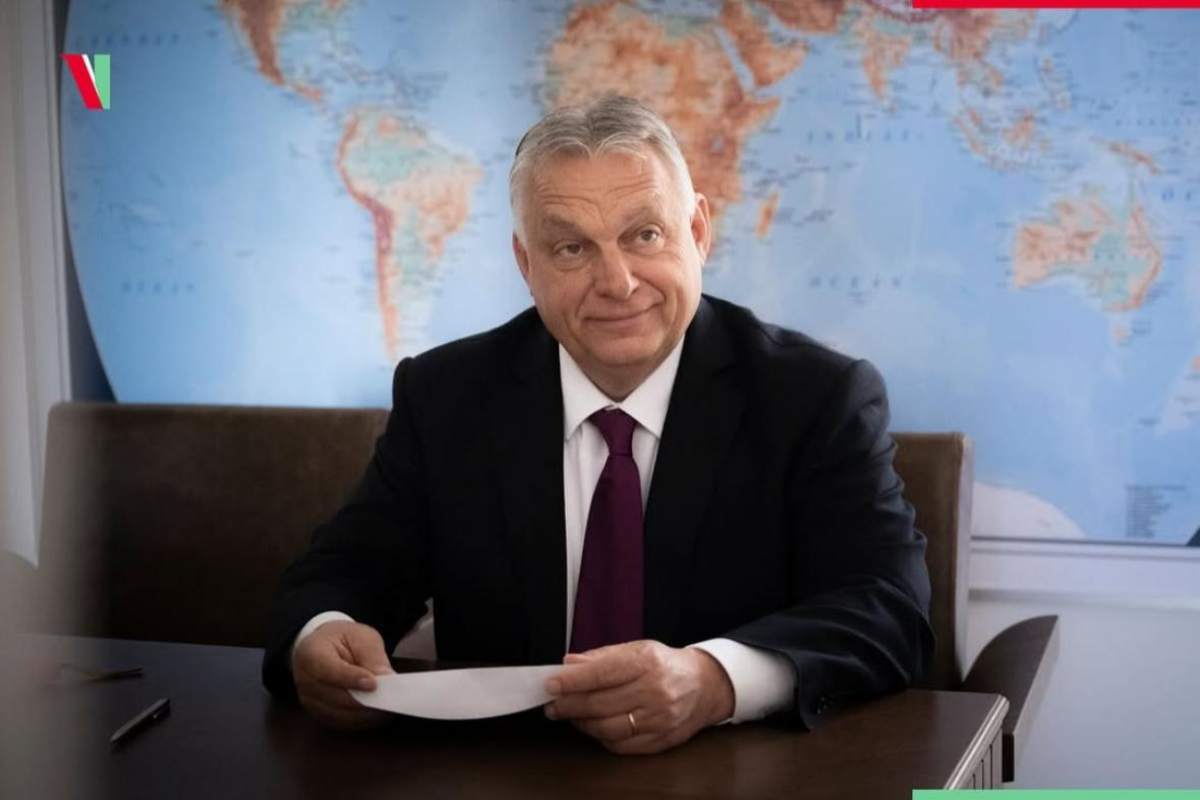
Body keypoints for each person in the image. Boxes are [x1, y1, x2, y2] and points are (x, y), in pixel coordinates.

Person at [263, 95, 933, 755]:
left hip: (734, 773)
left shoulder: (814, 397)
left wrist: (715, 681)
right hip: (506, 772)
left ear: (698, 232)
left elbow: (888, 608)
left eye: (645, 235)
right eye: (571, 247)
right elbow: (345, 570)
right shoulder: (447, 395)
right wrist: (321, 634)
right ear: (527, 264)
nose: (617, 282)